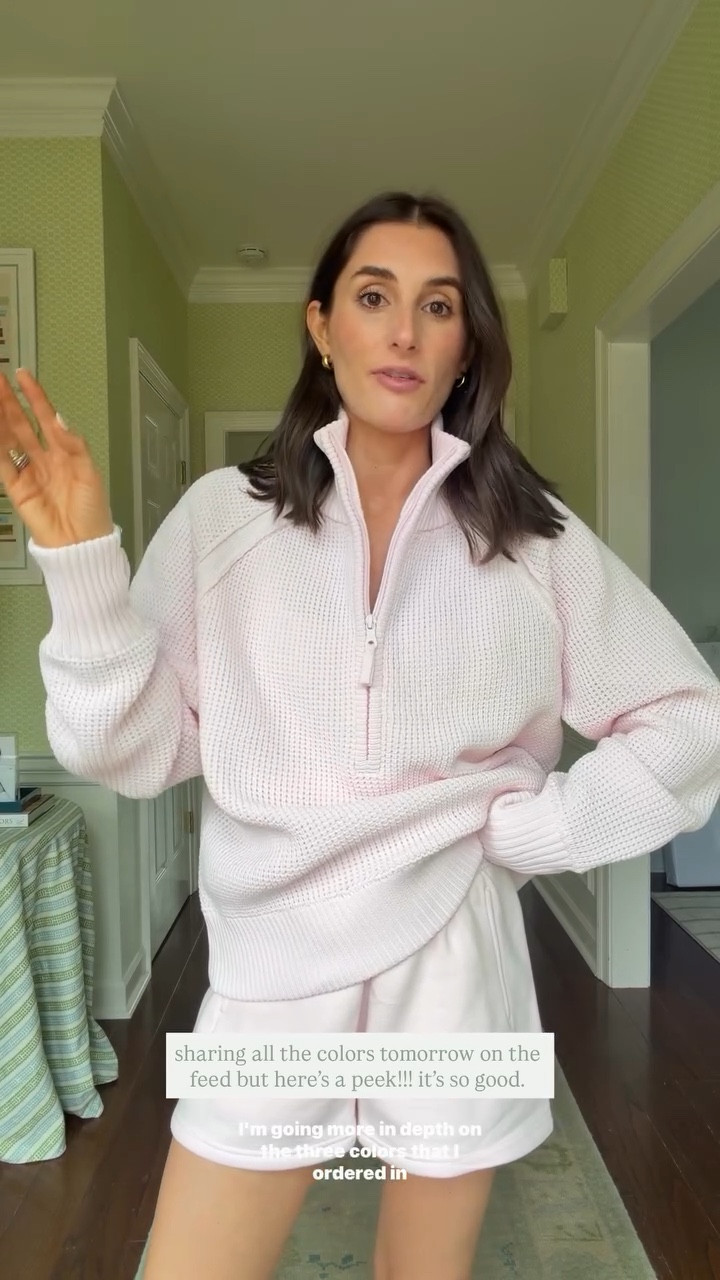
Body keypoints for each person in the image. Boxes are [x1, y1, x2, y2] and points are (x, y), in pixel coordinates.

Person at [1, 189, 719, 1280]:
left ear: (467, 345)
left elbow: (688, 715)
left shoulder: (535, 541)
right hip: (273, 963)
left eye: (439, 305)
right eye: (374, 297)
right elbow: (135, 752)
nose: (405, 332)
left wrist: (536, 830)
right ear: (322, 325)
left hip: (455, 957)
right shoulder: (221, 520)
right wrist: (82, 565)